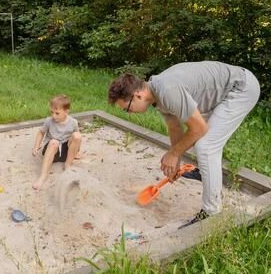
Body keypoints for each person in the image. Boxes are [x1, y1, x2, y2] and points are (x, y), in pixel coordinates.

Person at [108, 61, 260, 225]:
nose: (129, 113)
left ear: (137, 95)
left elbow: (199, 128)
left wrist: (174, 153)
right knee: (197, 139)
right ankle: (204, 172)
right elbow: (175, 128)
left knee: (206, 146)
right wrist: (176, 163)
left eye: (127, 108)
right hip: (223, 93)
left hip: (240, 89)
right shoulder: (155, 95)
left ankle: (211, 213)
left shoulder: (167, 91)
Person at [32, 94, 82, 190]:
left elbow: (76, 139)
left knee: (77, 135)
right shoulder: (49, 121)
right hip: (52, 150)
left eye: (57, 113)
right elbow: (41, 133)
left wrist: (76, 151)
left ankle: (68, 165)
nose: (53, 115)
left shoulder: (73, 122)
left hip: (65, 152)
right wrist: (36, 146)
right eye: (52, 112)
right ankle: (42, 177)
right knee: (54, 142)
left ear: (66, 112)